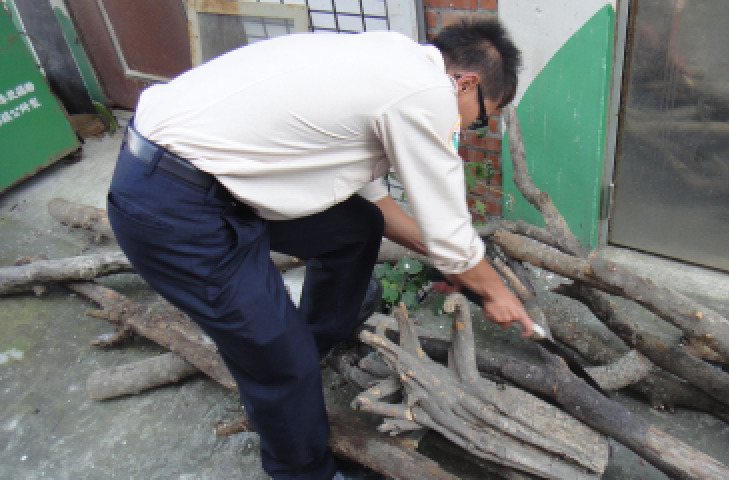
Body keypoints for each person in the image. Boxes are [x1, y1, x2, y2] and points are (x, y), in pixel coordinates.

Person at [106, 18, 533, 480]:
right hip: (173, 206)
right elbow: (449, 227)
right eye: (481, 117)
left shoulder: (389, 61)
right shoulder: (427, 92)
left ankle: (314, 342)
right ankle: (304, 467)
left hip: (219, 179)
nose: (469, 128)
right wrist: (495, 291)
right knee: (279, 359)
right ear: (466, 83)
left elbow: (379, 202)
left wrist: (456, 266)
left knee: (355, 228)